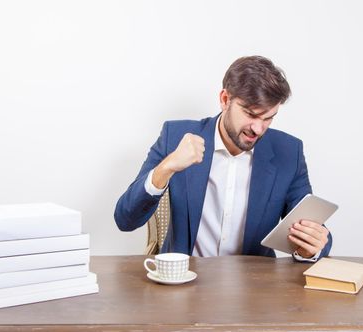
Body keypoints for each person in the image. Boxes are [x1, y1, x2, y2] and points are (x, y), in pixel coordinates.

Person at [115, 56, 332, 261]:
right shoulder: (176, 136)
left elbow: (313, 226)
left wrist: (311, 246)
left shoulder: (289, 151)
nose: (258, 129)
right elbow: (125, 219)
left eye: (268, 118)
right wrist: (167, 167)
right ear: (225, 99)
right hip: (184, 282)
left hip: (256, 289)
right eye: (251, 114)